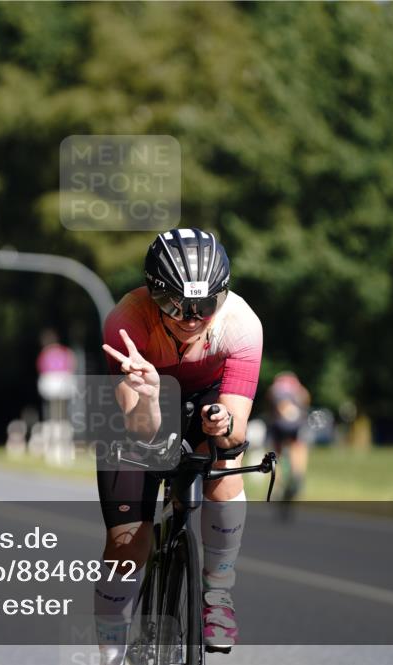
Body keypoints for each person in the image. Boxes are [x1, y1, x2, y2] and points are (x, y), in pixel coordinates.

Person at [96, 228, 263, 661]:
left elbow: (236, 432)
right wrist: (150, 393)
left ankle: (218, 595)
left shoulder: (242, 325)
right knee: (127, 544)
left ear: (222, 297)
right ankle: (110, 651)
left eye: (205, 306)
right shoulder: (126, 323)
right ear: (153, 295)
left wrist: (222, 423)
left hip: (207, 397)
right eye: (175, 305)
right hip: (140, 409)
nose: (190, 318)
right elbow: (142, 430)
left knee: (226, 460)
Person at [266, 371, 311, 503]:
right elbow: (306, 398)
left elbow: (272, 401)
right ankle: (298, 476)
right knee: (298, 448)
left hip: (278, 424)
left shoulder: (275, 388)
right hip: (296, 425)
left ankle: (277, 484)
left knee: (276, 454)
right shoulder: (298, 388)